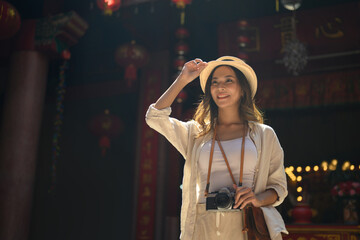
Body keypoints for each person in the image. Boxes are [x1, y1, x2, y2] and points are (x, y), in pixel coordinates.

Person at [145, 56, 288, 240]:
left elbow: (278, 188)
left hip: (245, 227)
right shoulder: (196, 134)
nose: (221, 87)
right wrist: (183, 79)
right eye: (215, 82)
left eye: (229, 80)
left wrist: (257, 198)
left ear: (243, 89)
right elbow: (155, 118)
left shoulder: (264, 134)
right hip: (203, 228)